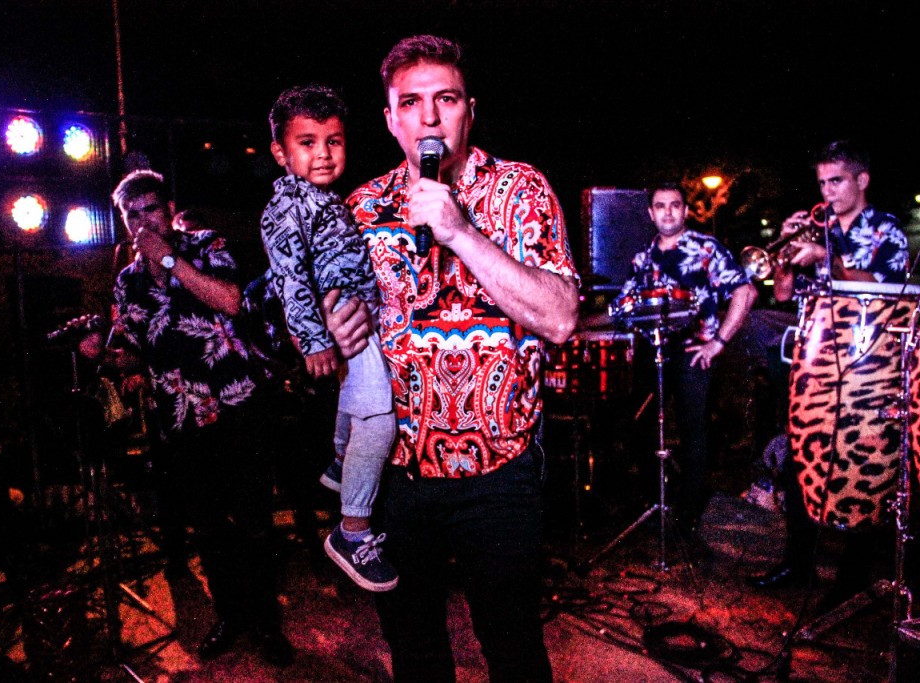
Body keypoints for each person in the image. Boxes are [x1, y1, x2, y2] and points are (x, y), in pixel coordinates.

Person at [324, 34, 580, 682]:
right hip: (399, 478)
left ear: (470, 110)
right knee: (415, 651)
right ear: (390, 119)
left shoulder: (521, 190)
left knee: (514, 650)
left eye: (447, 99)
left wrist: (460, 230)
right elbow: (338, 331)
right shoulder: (361, 207)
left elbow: (560, 317)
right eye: (411, 103)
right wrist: (334, 326)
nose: (430, 117)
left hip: (499, 474)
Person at [81, 169, 293, 666]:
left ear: (168, 209)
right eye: (132, 215)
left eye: (151, 209)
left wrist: (169, 260)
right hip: (181, 420)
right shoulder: (127, 283)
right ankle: (230, 615)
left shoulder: (205, 245)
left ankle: (266, 622)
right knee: (210, 528)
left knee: (253, 524)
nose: (144, 222)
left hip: (237, 406)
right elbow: (136, 356)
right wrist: (100, 354)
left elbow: (231, 301)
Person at [748, 140, 909, 601]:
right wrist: (783, 254)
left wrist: (825, 257)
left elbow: (887, 289)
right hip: (815, 362)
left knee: (862, 462)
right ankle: (796, 563)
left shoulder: (886, 231)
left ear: (862, 180)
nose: (827, 192)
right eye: (822, 183)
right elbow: (782, 294)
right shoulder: (818, 230)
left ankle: (851, 581)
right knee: (801, 457)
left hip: (867, 365)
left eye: (836, 181)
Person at [259, 83, 398, 592]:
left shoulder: (324, 199)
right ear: (280, 153)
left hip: (360, 315)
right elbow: (289, 279)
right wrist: (313, 337)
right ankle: (352, 530)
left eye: (333, 141)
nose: (323, 154)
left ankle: (341, 463)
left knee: (356, 400)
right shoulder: (285, 209)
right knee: (379, 419)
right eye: (307, 142)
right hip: (341, 317)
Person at [613, 181, 757, 534]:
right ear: (651, 213)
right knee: (641, 426)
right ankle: (655, 504)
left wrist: (718, 342)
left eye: (675, 205)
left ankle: (689, 515)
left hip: (693, 351)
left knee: (693, 432)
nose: (668, 212)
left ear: (686, 211)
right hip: (652, 351)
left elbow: (745, 292)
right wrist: (578, 322)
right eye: (660, 206)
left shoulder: (706, 248)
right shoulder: (643, 258)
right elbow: (622, 307)